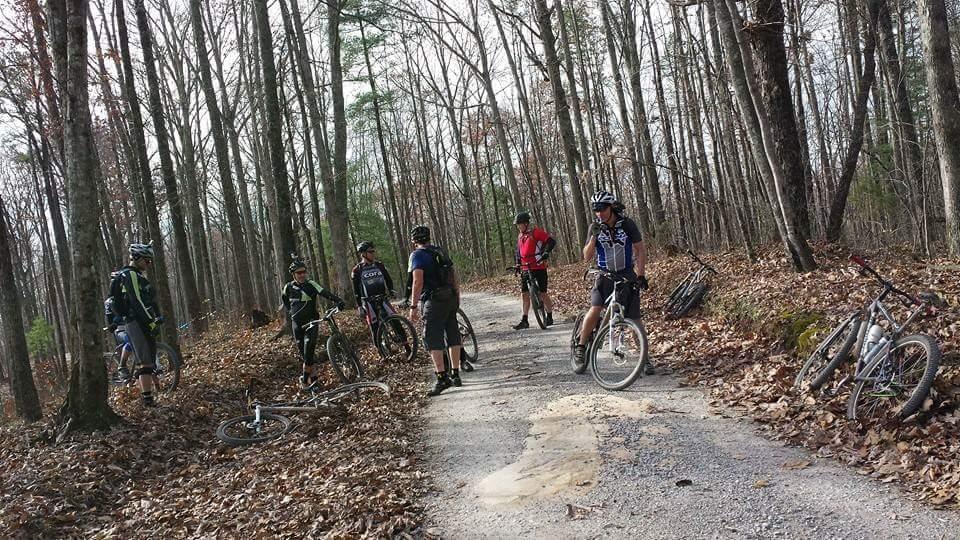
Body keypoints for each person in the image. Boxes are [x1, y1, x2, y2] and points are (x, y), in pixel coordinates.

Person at [573, 191, 653, 374]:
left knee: (634, 318)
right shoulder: (595, 226)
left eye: (602, 209)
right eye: (596, 210)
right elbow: (586, 257)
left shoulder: (627, 224)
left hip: (626, 274)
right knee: (595, 309)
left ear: (611, 208)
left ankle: (645, 358)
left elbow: (640, 250)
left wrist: (640, 275)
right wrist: (593, 237)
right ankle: (581, 347)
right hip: (604, 274)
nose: (599, 213)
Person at [406, 225, 462, 396]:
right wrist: (457, 294)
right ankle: (455, 374)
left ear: (414, 241)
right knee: (453, 333)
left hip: (433, 300)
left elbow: (417, 282)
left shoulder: (417, 255)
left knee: (432, 337)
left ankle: (441, 378)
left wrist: (413, 306)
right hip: (450, 296)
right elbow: (453, 274)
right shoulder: (440, 251)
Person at [110, 243, 165, 406]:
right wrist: (150, 321)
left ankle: (149, 394)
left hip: (141, 321)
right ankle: (148, 401)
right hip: (135, 322)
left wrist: (156, 316)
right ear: (137, 258)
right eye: (147, 261)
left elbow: (148, 300)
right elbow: (137, 301)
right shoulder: (130, 275)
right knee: (145, 361)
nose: (149, 264)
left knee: (147, 359)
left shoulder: (138, 276)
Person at [281, 258, 346, 389]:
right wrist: (290, 312)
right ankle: (314, 379)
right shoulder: (288, 287)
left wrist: (338, 300)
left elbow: (324, 292)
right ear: (293, 274)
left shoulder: (311, 284)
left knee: (309, 349)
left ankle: (304, 380)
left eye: (304, 272)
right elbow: (284, 299)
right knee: (305, 354)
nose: (302, 275)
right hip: (296, 324)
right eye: (299, 273)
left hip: (312, 321)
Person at [512, 211, 557, 329]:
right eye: (517, 225)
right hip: (525, 268)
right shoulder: (520, 236)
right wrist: (517, 264)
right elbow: (518, 252)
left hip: (538, 266)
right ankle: (524, 320)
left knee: (543, 293)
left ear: (526, 224)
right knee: (524, 294)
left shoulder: (536, 232)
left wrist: (546, 253)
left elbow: (551, 241)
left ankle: (549, 316)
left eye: (519, 224)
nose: (518, 227)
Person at [352, 241, 398, 343]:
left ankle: (407, 347)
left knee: (395, 320)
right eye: (370, 252)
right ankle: (381, 352)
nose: (373, 253)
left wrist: (391, 290)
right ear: (363, 254)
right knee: (375, 327)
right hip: (368, 302)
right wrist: (359, 306)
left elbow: (388, 279)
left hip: (382, 298)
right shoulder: (357, 270)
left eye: (374, 251)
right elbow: (356, 290)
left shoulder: (379, 265)